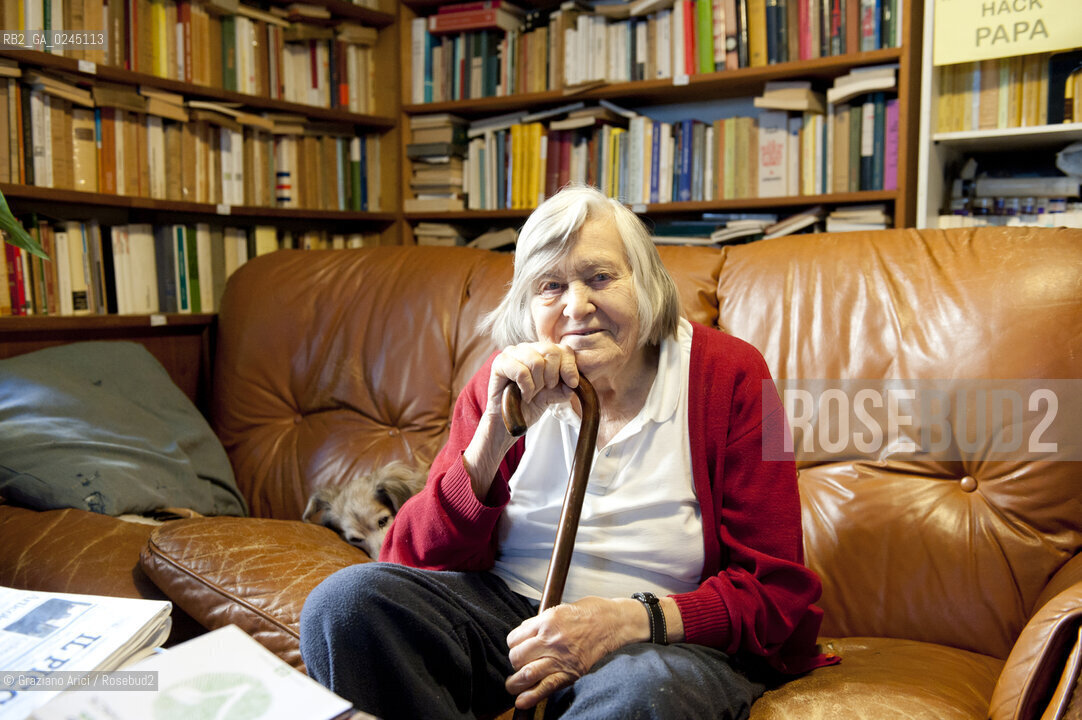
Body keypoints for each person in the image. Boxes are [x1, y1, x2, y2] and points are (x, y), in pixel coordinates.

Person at [300, 184, 834, 720]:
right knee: (345, 605)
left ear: (646, 282)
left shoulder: (736, 375)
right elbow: (409, 558)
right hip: (507, 618)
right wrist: (491, 438)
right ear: (527, 305)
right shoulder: (502, 380)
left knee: (640, 692)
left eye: (600, 277)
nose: (577, 306)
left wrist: (629, 621)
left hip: (662, 638)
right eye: (550, 286)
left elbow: (776, 590)